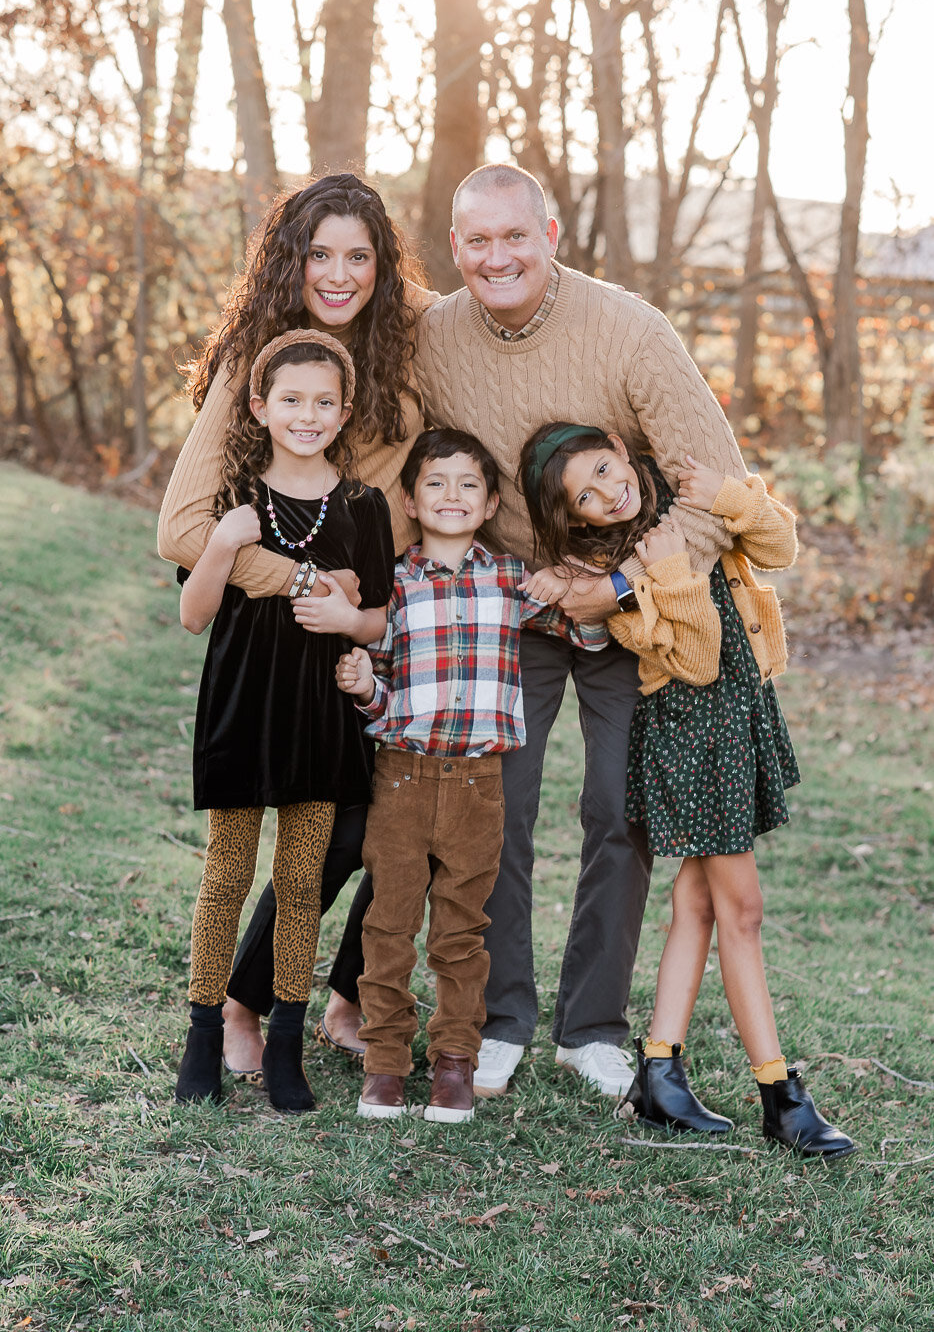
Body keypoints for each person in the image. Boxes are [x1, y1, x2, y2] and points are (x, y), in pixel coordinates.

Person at [412, 163, 749, 1100]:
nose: (497, 257)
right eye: (476, 241)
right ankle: (499, 1017)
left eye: (514, 236)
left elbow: (717, 484)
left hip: (628, 612)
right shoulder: (435, 338)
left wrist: (622, 583)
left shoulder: (631, 330)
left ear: (550, 234)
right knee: (498, 811)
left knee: (618, 807)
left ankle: (592, 1026)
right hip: (514, 604)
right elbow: (407, 460)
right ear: (456, 248)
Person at [157, 174, 438, 1078]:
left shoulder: (401, 350)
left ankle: (346, 995)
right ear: (291, 258)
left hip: (375, 627)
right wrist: (305, 581)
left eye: (361, 255)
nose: (340, 274)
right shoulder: (259, 361)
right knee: (300, 837)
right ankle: (239, 1005)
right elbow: (181, 531)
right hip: (278, 650)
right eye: (320, 253)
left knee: (409, 820)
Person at [518, 423, 855, 1157]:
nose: (612, 492)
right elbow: (697, 659)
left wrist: (730, 497)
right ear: (575, 519)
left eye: (607, 469)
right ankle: (779, 1096)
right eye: (588, 496)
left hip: (740, 720)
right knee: (743, 909)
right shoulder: (613, 580)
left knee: (699, 907)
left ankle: (659, 1073)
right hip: (688, 738)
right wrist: (664, 576)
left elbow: (779, 548)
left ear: (619, 447)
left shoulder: (685, 505)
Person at [334, 429, 607, 1122]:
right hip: (401, 777)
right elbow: (386, 692)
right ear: (411, 499)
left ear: (489, 504)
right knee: (388, 926)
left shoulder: (512, 580)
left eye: (467, 486)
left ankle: (455, 1063)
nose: (451, 496)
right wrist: (366, 685)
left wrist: (571, 580)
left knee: (461, 932)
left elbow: (592, 633)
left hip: (479, 785)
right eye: (436, 483)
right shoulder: (392, 583)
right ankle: (385, 1063)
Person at [173, 329, 394, 1113]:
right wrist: (224, 547)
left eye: (323, 402)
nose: (307, 415)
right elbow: (192, 615)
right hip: (241, 709)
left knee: (301, 882)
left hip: (321, 717)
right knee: (227, 876)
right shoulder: (233, 496)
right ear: (261, 407)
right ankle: (202, 1037)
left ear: (344, 412)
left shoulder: (364, 507)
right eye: (291, 400)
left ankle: (288, 1043)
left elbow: (376, 617)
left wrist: (353, 633)